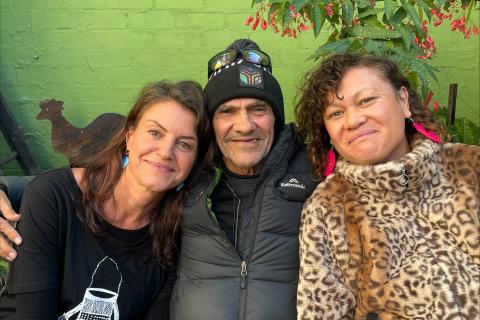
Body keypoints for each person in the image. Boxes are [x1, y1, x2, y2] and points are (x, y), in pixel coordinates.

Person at [0, 80, 212, 319]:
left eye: (184, 144)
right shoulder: (53, 197)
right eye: (155, 132)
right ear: (130, 137)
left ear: (194, 161)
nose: (165, 152)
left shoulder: (174, 238)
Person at [294, 53, 480, 319]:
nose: (353, 120)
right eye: (336, 113)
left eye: (367, 100)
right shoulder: (328, 209)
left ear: (403, 101)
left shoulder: (470, 170)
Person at [169, 39, 316, 320]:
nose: (245, 125)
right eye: (227, 111)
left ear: (276, 117)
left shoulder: (316, 176)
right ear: (211, 123)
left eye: (258, 109)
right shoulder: (185, 178)